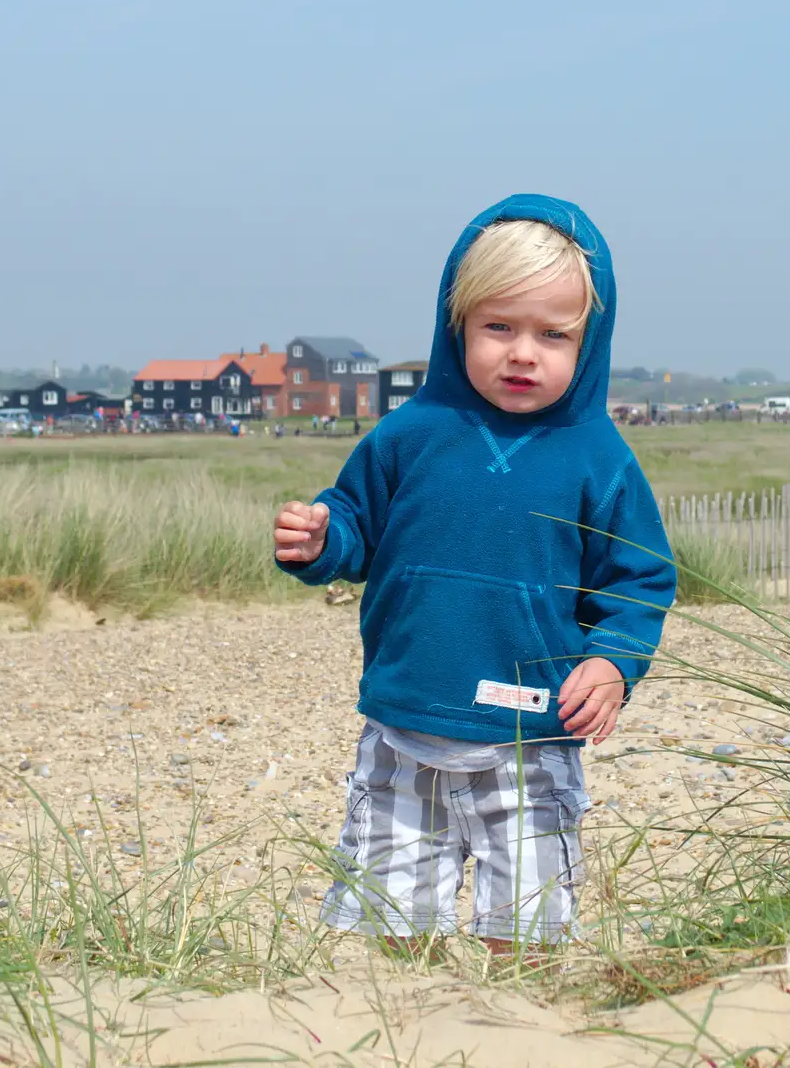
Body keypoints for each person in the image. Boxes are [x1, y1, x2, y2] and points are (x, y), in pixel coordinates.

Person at [273, 194, 676, 952]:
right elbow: (356, 526)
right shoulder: (410, 435)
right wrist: (321, 538)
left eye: (552, 335)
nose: (523, 352)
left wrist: (612, 662)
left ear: (589, 343)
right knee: (392, 917)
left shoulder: (600, 460)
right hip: (404, 719)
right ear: (455, 323)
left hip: (530, 733)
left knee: (525, 921)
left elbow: (638, 582)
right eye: (499, 326)